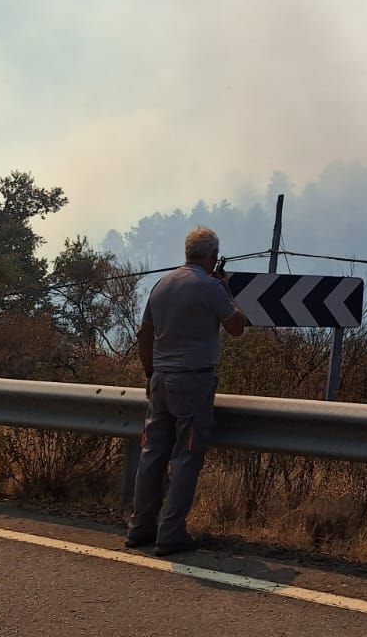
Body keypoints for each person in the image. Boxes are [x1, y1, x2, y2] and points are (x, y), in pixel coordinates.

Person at [125, 226, 247, 555]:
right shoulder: (210, 287)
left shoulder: (162, 285)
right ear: (213, 257)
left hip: (161, 379)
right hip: (193, 381)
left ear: (186, 253)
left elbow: (144, 334)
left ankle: (140, 527)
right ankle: (171, 533)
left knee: (152, 455)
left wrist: (151, 373)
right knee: (186, 458)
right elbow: (237, 327)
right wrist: (227, 291)